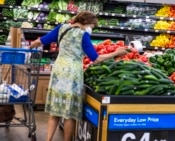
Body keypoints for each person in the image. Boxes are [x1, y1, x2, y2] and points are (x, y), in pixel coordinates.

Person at [29, 11, 128, 141]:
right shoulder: (83, 35)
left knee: (55, 112)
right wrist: (115, 53)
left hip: (58, 71)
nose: (91, 28)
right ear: (86, 23)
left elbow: (41, 41)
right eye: (92, 26)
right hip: (72, 75)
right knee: (70, 114)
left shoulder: (62, 28)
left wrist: (31, 46)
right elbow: (96, 58)